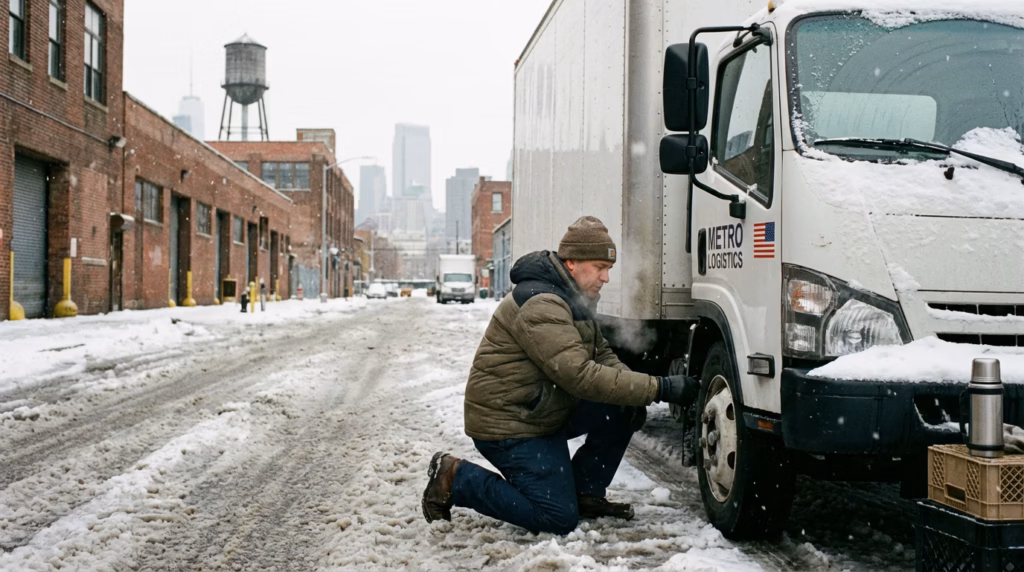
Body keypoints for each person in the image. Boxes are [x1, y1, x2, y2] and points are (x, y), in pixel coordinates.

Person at [422, 215, 699, 534]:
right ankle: (455, 478)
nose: (606, 277)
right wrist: (661, 387)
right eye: (599, 267)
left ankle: (585, 493)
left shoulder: (575, 300)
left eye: (608, 268)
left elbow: (603, 356)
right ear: (572, 263)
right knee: (556, 517)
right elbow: (581, 375)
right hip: (510, 424)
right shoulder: (543, 304)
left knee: (625, 406)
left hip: (540, 411)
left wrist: (638, 390)